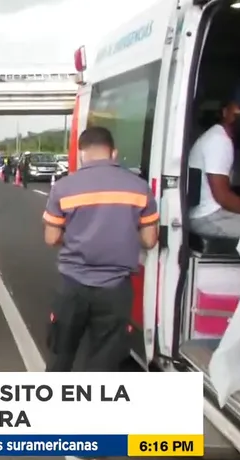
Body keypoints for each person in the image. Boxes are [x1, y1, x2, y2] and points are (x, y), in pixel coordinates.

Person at [41, 127, 159, 371]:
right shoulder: (140, 188)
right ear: (114, 153)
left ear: (82, 153)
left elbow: (51, 238)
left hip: (72, 285)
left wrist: (80, 238)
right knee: (105, 361)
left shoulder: (63, 187)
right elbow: (149, 240)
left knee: (60, 355)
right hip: (116, 289)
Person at [188, 82, 240, 238]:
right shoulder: (219, 141)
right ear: (225, 111)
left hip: (213, 212)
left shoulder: (222, 138)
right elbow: (223, 198)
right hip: (208, 217)